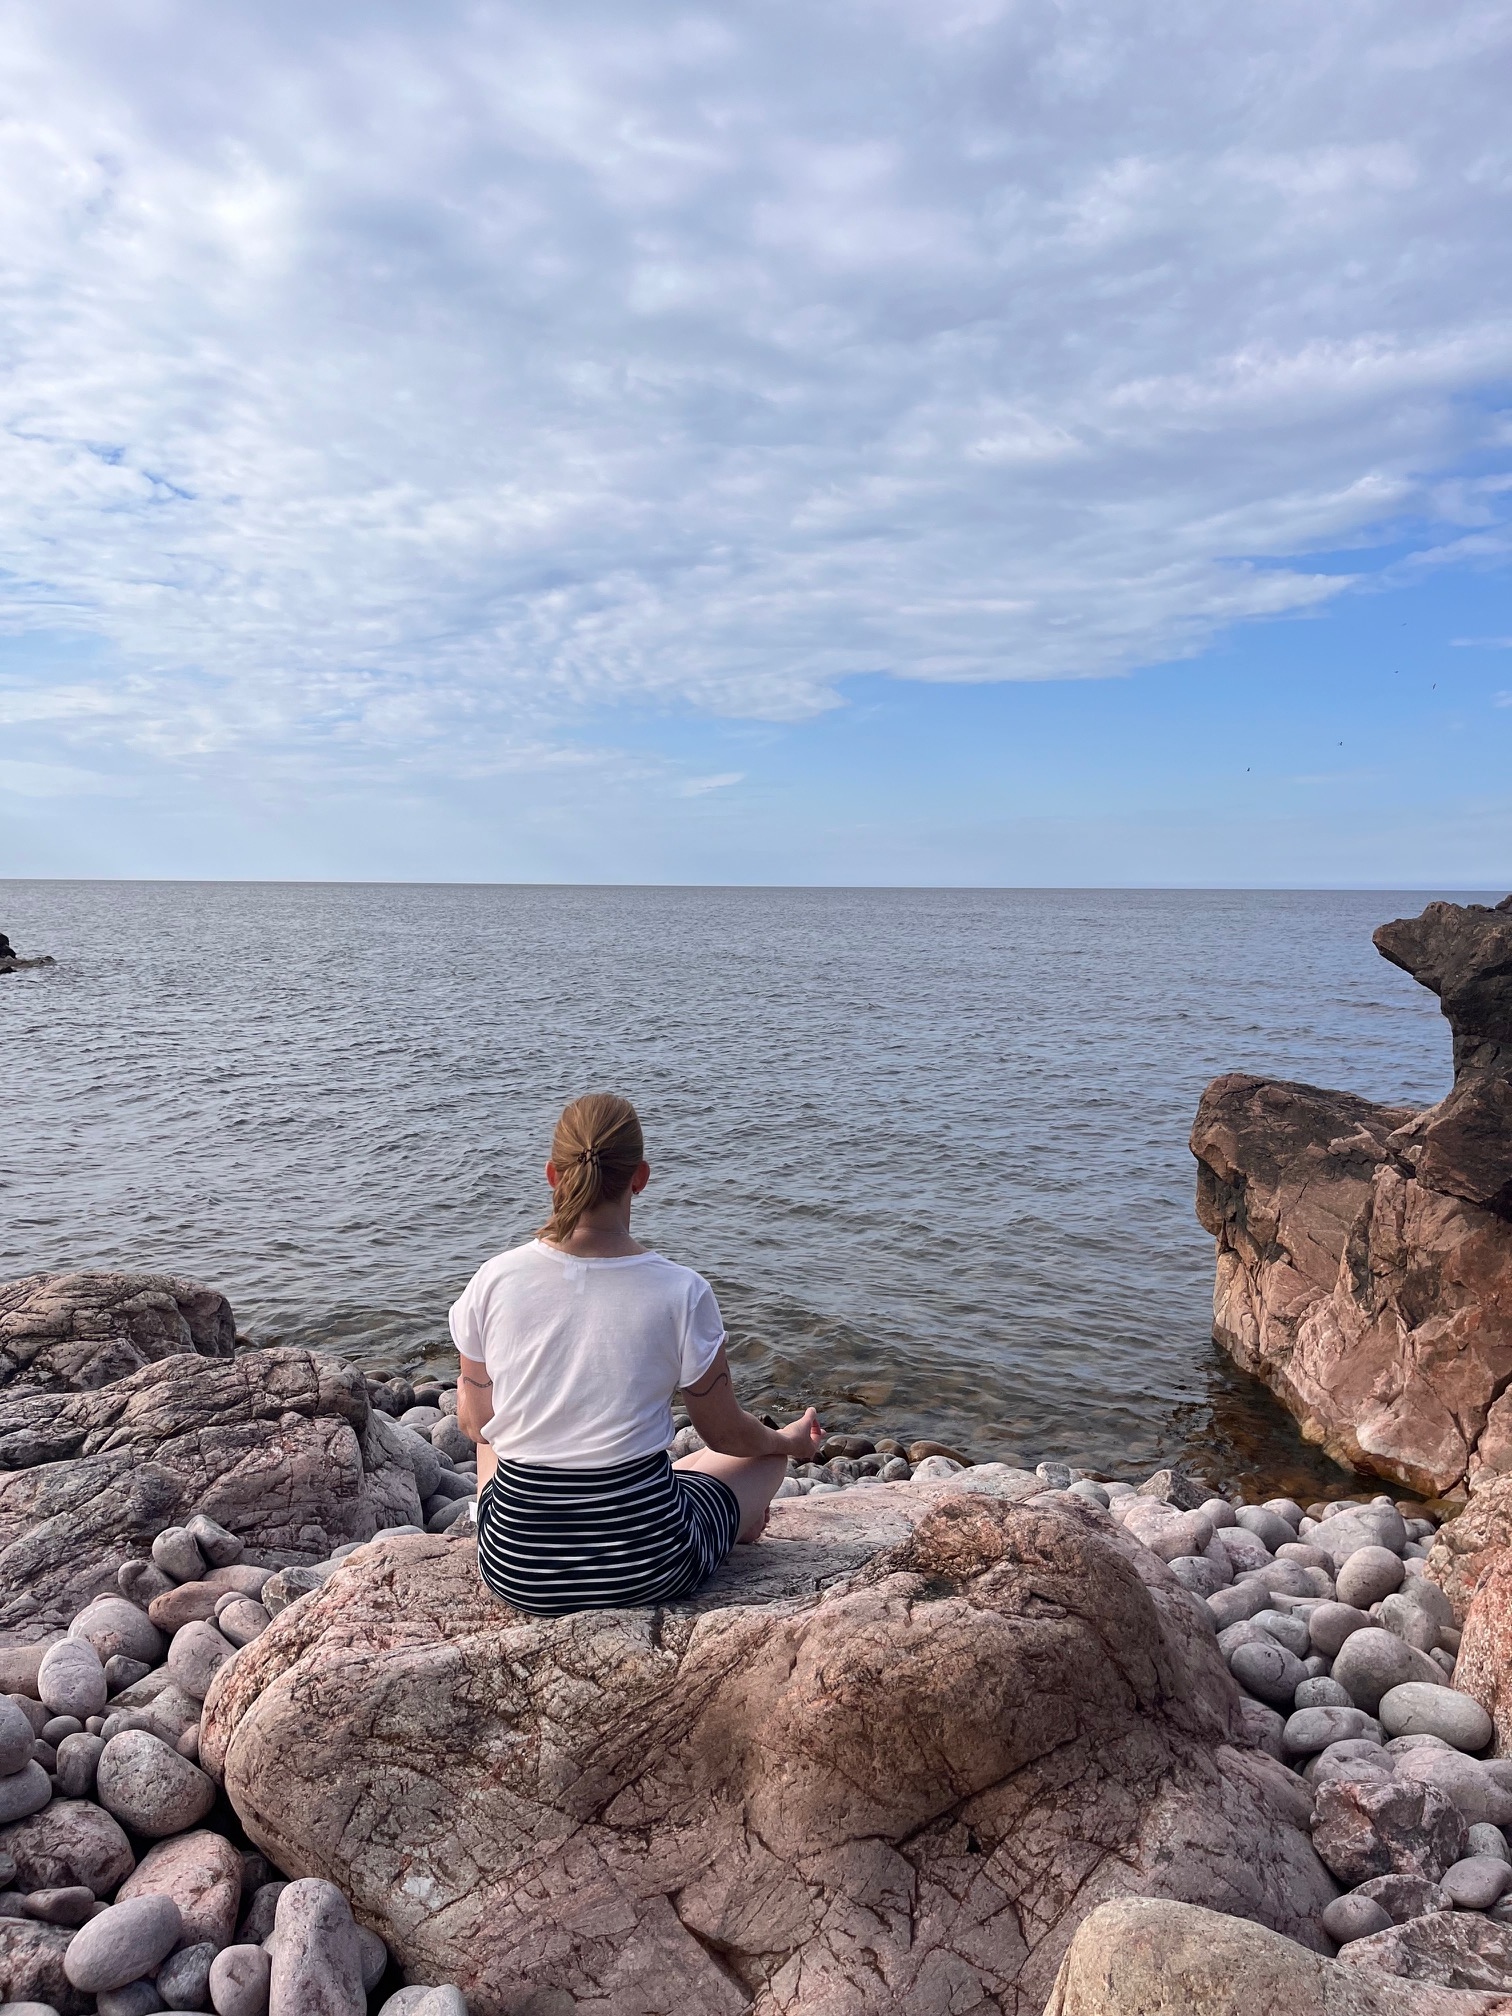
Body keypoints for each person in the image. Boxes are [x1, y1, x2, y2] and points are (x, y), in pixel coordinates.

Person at [450, 1092, 823, 1616]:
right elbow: (725, 1433)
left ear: (553, 1176)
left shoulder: (494, 1280)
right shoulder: (681, 1292)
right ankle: (730, 1518)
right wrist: (785, 1441)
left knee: (492, 1442)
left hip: (519, 1570)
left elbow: (475, 1424)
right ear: (640, 1177)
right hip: (648, 1563)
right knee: (765, 1458)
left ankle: (650, 1497)